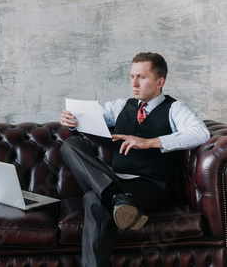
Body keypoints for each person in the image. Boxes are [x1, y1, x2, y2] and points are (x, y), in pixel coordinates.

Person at [60, 52, 210, 267]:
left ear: (160, 82)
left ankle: (114, 198)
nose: (134, 83)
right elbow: (88, 117)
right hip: (113, 179)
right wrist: (71, 120)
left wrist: (149, 142)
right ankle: (117, 198)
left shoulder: (175, 109)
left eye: (141, 77)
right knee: (70, 145)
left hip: (149, 185)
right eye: (132, 77)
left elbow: (200, 134)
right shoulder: (122, 105)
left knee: (94, 200)